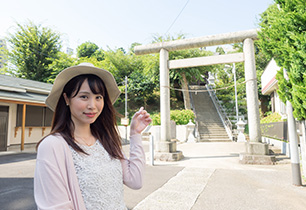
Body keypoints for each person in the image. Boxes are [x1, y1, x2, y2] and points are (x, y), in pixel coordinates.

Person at [34, 63, 152, 210]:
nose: (92, 105)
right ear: (66, 98)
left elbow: (135, 180)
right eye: (84, 96)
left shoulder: (107, 140)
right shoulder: (53, 146)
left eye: (98, 97)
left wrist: (135, 135)